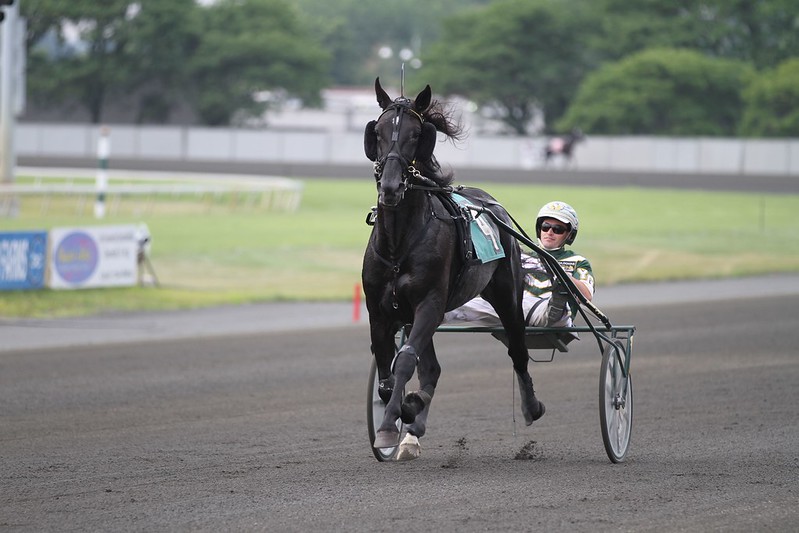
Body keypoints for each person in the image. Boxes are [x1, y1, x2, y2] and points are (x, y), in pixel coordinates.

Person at [443, 201, 594, 327]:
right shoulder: (520, 255)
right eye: (545, 226)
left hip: (552, 311)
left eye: (558, 229)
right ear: (539, 228)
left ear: (569, 235)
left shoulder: (578, 261)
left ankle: (555, 306)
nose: (549, 232)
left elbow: (586, 295)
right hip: (513, 307)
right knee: (452, 307)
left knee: (558, 304)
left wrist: (564, 277)